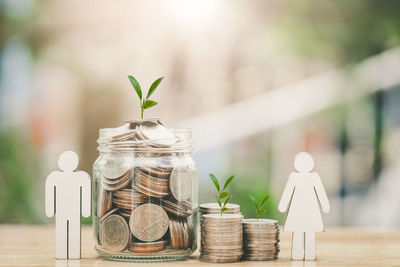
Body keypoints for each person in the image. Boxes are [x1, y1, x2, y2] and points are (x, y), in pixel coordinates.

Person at [278, 152, 330, 260]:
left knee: (307, 231)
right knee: (300, 231)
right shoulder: (295, 177)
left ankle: (308, 254)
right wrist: (282, 206)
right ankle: (299, 254)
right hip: (301, 209)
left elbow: (320, 192)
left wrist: (325, 206)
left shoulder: (313, 177)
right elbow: (288, 192)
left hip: (306, 209)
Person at [45, 151, 91, 259]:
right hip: (61, 210)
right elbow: (50, 193)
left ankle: (73, 253)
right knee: (61, 230)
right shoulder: (53, 177)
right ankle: (62, 253)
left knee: (74, 230)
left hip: (73, 211)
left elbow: (85, 194)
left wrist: (85, 210)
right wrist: (50, 210)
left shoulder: (82, 177)